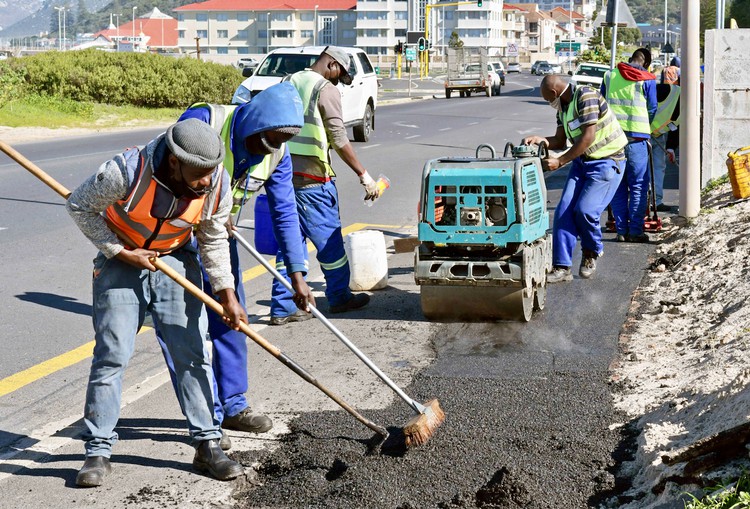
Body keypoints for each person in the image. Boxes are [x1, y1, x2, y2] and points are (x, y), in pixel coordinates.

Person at [66, 119, 244, 487]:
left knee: (192, 353)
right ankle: (97, 451)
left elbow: (212, 238)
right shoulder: (125, 171)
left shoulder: (216, 181)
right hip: (122, 260)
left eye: (211, 172)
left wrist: (226, 294)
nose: (206, 182)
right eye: (199, 174)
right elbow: (80, 207)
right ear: (176, 162)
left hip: (176, 258)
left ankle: (207, 444)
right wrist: (120, 251)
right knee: (111, 355)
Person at [155, 83, 315, 449]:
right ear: (254, 123)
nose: (267, 151)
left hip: (218, 239)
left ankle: (233, 406)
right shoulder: (205, 121)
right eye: (265, 141)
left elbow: (285, 212)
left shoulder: (276, 153)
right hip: (172, 237)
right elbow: (164, 172)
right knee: (183, 329)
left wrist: (297, 275)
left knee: (232, 317)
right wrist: (202, 209)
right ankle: (207, 420)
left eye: (277, 143)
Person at [270, 46, 381, 320]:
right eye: (338, 76)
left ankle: (282, 307)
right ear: (331, 64)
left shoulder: (287, 82)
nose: (336, 83)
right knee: (330, 245)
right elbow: (339, 139)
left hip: (283, 180)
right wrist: (364, 175)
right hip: (314, 182)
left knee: (289, 244)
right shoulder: (325, 90)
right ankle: (340, 298)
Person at [523, 75, 627, 282]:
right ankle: (562, 267)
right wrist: (541, 140)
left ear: (554, 93)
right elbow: (560, 140)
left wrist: (560, 162)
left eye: (547, 99)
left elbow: (588, 137)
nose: (549, 103)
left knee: (585, 210)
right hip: (582, 163)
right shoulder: (563, 106)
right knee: (563, 212)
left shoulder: (585, 96)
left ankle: (591, 252)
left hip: (607, 162)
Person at [601, 48, 657, 243]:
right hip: (637, 140)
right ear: (646, 63)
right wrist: (645, 127)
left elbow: (602, 106)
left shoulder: (609, 76)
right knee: (638, 185)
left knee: (617, 186)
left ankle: (621, 231)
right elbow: (652, 108)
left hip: (612, 141)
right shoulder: (647, 79)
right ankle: (635, 231)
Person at [650, 83, 681, 211]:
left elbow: (676, 126)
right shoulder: (668, 91)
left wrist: (671, 148)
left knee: (658, 167)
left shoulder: (689, 107)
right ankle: (641, 201)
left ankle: (656, 202)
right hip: (641, 133)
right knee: (640, 169)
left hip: (657, 135)